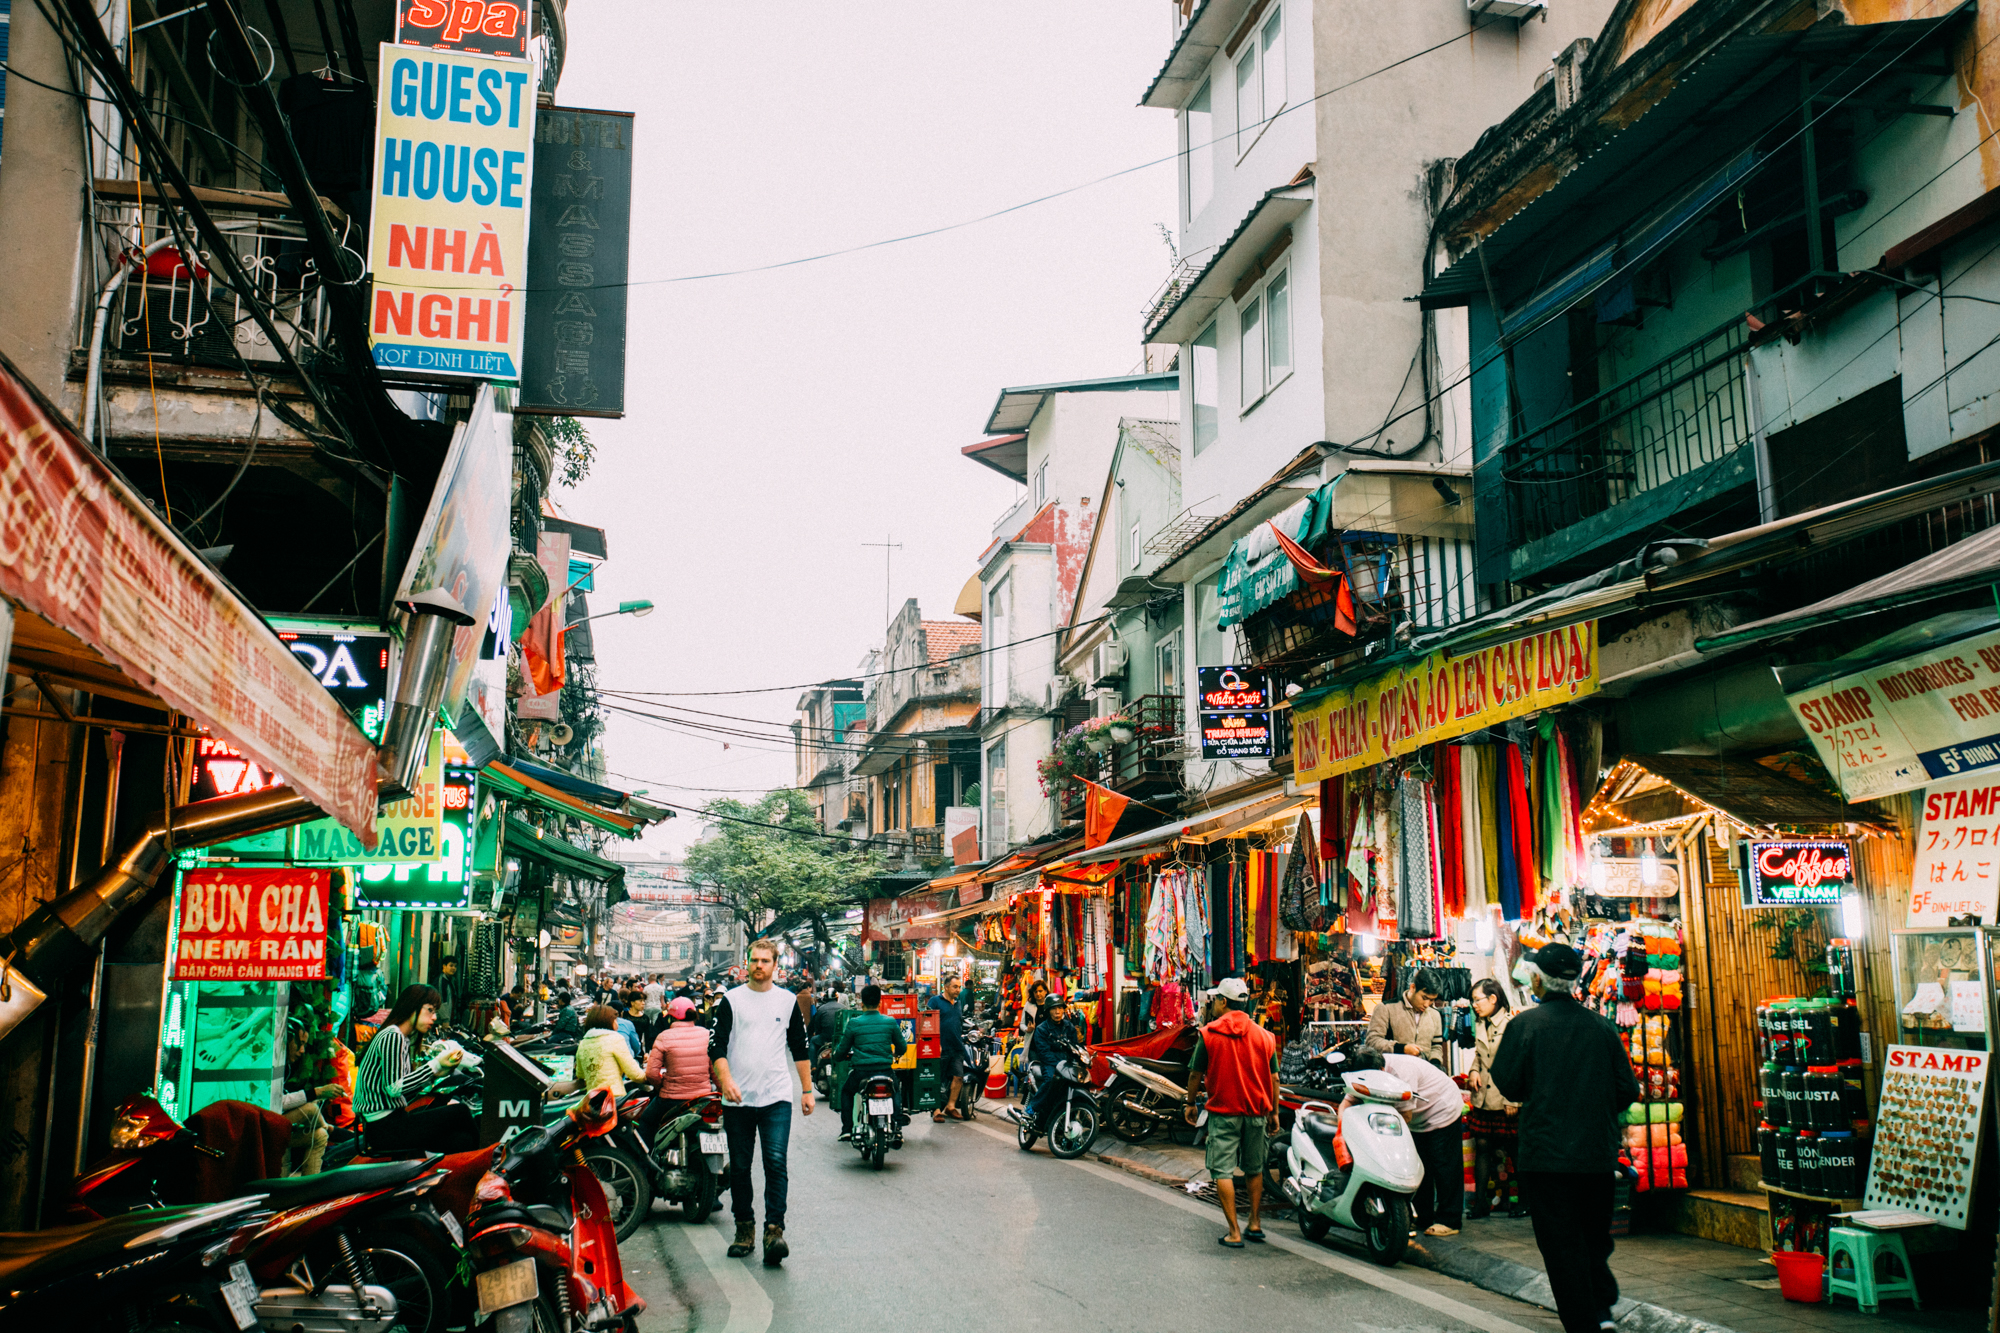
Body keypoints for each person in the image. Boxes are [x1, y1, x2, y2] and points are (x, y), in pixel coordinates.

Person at [1490, 943, 1642, 1333]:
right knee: (1593, 1237)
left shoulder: (1525, 1025)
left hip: (1546, 1156)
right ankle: (1602, 1312)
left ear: (1538, 979)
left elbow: (1507, 1083)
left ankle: (1584, 1323)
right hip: (1595, 1154)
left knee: (1561, 1244)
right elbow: (1627, 1087)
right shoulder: (1601, 1027)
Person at [709, 940, 812, 1267]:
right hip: (737, 1099)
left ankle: (774, 1230)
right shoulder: (731, 1000)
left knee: (775, 1162)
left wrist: (807, 1090)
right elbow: (717, 1048)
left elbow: (800, 1047)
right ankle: (744, 1229)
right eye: (754, 960)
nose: (759, 966)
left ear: (775, 965)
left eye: (765, 961)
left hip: (776, 1096)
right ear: (746, 963)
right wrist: (726, 1080)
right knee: (739, 1166)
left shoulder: (787, 1001)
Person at [1183, 977, 1279, 1248]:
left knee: (1222, 1170)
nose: (1212, 1004)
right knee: (1254, 1167)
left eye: (1215, 1000)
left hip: (1224, 1111)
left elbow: (1195, 1074)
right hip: (1256, 1111)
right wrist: (1274, 1112)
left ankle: (1234, 1232)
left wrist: (1190, 1103)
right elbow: (1274, 1079)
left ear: (1224, 1002)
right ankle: (1255, 1223)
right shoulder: (1265, 1036)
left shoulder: (1210, 1033)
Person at [353, 985, 476, 1152]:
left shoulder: (399, 1037)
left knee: (462, 1141)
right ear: (413, 1007)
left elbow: (402, 1087)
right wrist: (435, 1064)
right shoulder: (393, 1036)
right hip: (385, 1128)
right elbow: (395, 1088)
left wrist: (437, 1073)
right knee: (460, 1111)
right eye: (430, 1010)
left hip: (388, 1123)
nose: (434, 1018)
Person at [1359, 1043, 1466, 1236]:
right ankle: (1423, 1216)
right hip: (1419, 1118)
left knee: (1445, 1165)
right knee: (1419, 1166)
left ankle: (1450, 1219)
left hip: (1441, 1108)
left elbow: (1405, 1115)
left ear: (1381, 1069)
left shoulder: (1401, 1072)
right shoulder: (1368, 1071)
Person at [1467, 978, 1526, 1220]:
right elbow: (1480, 1056)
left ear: (1493, 998)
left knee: (1514, 1150)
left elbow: (1521, 1063)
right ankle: (1481, 1204)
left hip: (1505, 1098)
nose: (1474, 1005)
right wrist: (1472, 1071)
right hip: (1483, 1097)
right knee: (1482, 1146)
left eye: (1477, 1000)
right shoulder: (1480, 1023)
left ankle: (1524, 1201)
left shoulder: (1513, 1024)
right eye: (1473, 1001)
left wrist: (1515, 1100)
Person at [832, 984, 907, 1141]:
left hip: (861, 1073)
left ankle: (847, 1129)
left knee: (846, 1092)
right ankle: (897, 1125)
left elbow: (842, 1049)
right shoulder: (890, 1022)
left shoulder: (854, 1023)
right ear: (880, 1003)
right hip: (885, 1070)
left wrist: (837, 1056)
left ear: (861, 1003)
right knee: (895, 1089)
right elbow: (902, 1047)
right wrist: (896, 1053)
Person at [1016, 992, 1083, 1136]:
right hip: (1051, 1063)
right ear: (1048, 1011)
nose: (1057, 1012)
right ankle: (1031, 1109)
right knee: (1051, 1080)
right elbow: (1044, 1052)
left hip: (1068, 1064)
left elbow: (1075, 1047)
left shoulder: (1069, 1027)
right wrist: (1059, 1065)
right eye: (1054, 1009)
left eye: (1060, 1008)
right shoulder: (1041, 1029)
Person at [1366, 968, 1446, 1068]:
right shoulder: (1386, 1008)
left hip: (1423, 1076)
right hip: (1393, 1075)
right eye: (1424, 998)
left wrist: (1435, 1064)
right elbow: (1372, 1041)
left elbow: (1436, 1046)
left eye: (1432, 1000)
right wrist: (1402, 1048)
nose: (1427, 1004)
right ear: (1413, 988)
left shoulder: (1435, 1015)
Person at [575, 1004, 646, 1096]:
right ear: (607, 1022)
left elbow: (580, 1074)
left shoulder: (583, 1043)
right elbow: (634, 1074)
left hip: (593, 1100)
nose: (617, 1024)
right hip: (614, 1098)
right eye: (615, 1020)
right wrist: (649, 1078)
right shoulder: (615, 1039)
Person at [928, 974, 969, 1122]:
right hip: (940, 1047)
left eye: (959, 987)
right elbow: (927, 1022)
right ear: (946, 987)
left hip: (957, 1046)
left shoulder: (958, 1004)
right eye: (955, 986)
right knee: (938, 1078)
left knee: (958, 1077)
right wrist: (934, 1043)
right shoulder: (935, 1001)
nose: (958, 990)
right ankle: (937, 1110)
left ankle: (951, 1106)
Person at [642, 973, 666, 1042]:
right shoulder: (661, 988)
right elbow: (662, 1000)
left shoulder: (646, 988)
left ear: (649, 979)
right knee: (656, 1025)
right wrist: (664, 1008)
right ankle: (656, 1039)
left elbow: (643, 999)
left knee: (647, 1024)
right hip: (657, 1007)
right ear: (656, 979)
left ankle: (647, 1039)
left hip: (647, 1007)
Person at [436, 959, 460, 1025]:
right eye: (451, 965)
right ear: (444, 966)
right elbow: (441, 1000)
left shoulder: (452, 981)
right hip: (441, 1020)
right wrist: (445, 1019)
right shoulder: (441, 981)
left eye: (455, 966)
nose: (453, 968)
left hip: (451, 1018)